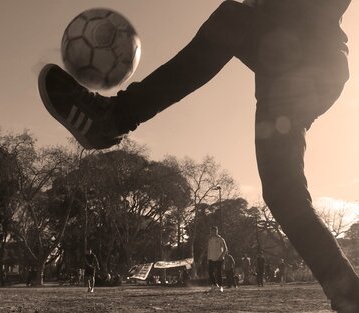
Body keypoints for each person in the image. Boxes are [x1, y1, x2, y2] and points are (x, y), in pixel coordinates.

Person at [39, 1, 359, 311]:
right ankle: (350, 296)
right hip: (285, 69)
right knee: (282, 194)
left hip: (312, 54)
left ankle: (114, 118)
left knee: (231, 19)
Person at [207, 226, 227, 292]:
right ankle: (214, 285)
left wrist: (221, 256)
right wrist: (208, 258)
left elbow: (225, 249)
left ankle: (220, 286)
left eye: (215, 231)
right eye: (212, 231)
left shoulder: (221, 239)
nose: (213, 232)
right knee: (210, 272)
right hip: (211, 258)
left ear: (217, 231)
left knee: (219, 273)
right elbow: (209, 250)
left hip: (219, 258)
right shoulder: (210, 239)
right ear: (210, 231)